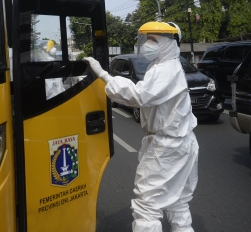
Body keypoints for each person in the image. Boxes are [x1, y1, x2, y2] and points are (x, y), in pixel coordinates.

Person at [84, 21, 199, 232]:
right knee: (177, 201)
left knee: (147, 205)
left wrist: (104, 75)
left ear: (169, 43)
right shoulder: (167, 66)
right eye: (146, 39)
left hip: (168, 148)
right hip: (181, 143)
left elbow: (138, 95)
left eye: (154, 40)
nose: (148, 44)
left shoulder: (165, 69)